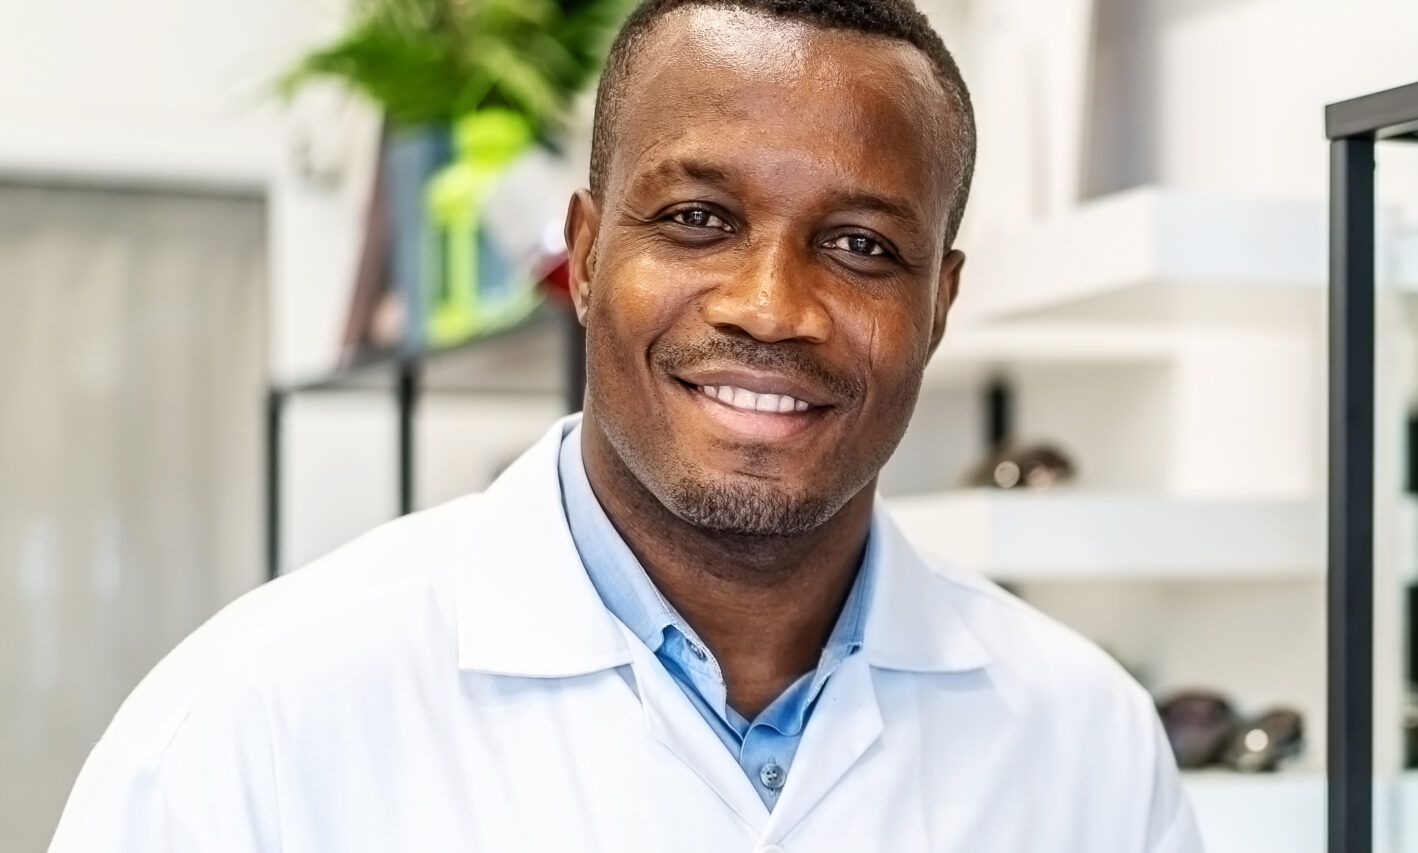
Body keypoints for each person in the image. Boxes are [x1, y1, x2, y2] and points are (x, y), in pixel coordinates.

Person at [48, 1, 1202, 849]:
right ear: (587, 256)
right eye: (698, 218)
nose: (770, 306)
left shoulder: (1083, 737)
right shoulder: (257, 716)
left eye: (860, 245)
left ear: (938, 303)